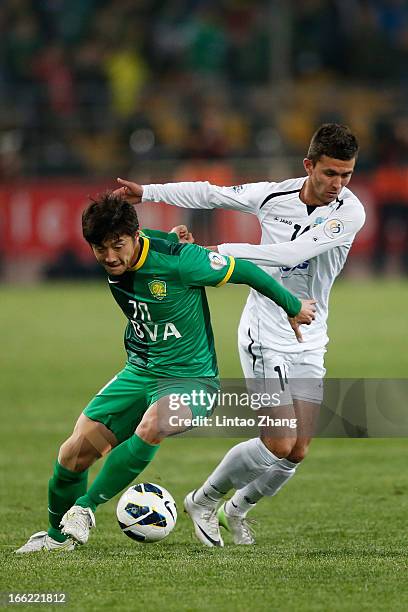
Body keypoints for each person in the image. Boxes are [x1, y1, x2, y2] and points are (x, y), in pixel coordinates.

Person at [111, 123, 366, 547]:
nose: (338, 185)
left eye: (347, 175)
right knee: (278, 442)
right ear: (309, 166)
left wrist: (216, 253)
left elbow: (293, 254)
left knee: (297, 451)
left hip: (310, 330)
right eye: (330, 174)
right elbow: (212, 193)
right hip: (265, 330)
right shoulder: (273, 196)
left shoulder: (349, 212)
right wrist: (149, 192)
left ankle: (237, 509)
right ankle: (203, 500)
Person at [16, 193, 315, 553]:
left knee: (154, 423)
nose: (110, 257)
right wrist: (173, 236)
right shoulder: (137, 247)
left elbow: (245, 271)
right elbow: (157, 239)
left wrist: (293, 305)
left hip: (192, 382)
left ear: (135, 235)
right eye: (100, 249)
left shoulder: (182, 262)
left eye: (117, 246)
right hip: (138, 373)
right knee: (73, 456)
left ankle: (85, 509)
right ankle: (56, 538)